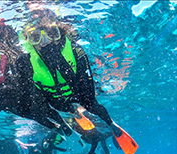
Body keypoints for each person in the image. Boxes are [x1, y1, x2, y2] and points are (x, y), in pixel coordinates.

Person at [17, 9, 125, 139]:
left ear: (59, 33)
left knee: (90, 104)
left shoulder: (76, 51)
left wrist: (59, 60)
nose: (45, 42)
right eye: (36, 38)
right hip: (56, 100)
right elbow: (33, 98)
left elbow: (87, 94)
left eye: (51, 34)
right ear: (30, 41)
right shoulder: (25, 62)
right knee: (56, 107)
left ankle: (111, 123)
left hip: (78, 92)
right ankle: (73, 112)